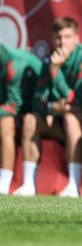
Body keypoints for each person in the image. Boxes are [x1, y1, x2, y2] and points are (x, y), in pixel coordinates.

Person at [15, 17, 82, 197]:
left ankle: (74, 185)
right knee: (29, 119)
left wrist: (56, 72)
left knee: (71, 118)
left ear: (77, 39)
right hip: (63, 118)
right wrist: (52, 107)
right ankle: (28, 185)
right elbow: (37, 101)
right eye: (58, 37)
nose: (62, 42)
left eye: (67, 37)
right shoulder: (50, 60)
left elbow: (77, 101)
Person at [0, 44, 42, 195]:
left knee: (6, 124)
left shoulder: (14, 64)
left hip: (36, 113)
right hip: (17, 111)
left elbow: (13, 106)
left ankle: (3, 186)